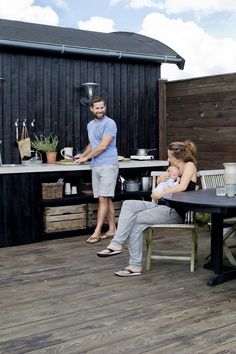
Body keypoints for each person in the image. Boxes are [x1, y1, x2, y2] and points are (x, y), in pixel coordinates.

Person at [97, 140, 197, 277]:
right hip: (161, 206)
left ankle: (134, 265)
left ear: (177, 156)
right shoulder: (174, 169)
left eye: (169, 156)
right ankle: (117, 243)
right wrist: (160, 180)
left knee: (136, 220)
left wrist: (159, 194)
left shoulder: (189, 165)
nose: (168, 159)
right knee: (128, 204)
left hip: (175, 212)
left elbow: (182, 187)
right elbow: (167, 185)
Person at [75, 96, 119, 244]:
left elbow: (103, 146)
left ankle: (97, 231)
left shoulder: (110, 123)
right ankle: (112, 229)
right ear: (91, 109)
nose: (100, 110)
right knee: (107, 198)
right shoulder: (90, 125)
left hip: (108, 165)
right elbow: (93, 144)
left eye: (102, 107)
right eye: (97, 108)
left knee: (102, 199)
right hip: (96, 165)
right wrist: (83, 154)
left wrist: (85, 159)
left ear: (105, 107)